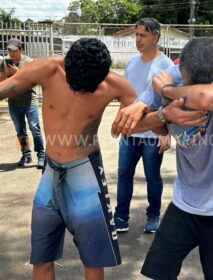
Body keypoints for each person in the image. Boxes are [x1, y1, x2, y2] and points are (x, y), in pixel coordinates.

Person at [112, 37, 213, 280]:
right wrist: (163, 114)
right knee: (158, 269)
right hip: (187, 200)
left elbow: (208, 98)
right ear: (182, 70)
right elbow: (128, 126)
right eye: (191, 84)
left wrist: (168, 92)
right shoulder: (169, 74)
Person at [0, 38, 140, 280]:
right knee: (41, 255)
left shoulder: (117, 85)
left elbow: (148, 123)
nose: (80, 91)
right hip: (51, 171)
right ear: (66, 66)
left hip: (85, 172)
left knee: (93, 257)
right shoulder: (46, 68)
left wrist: (147, 109)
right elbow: (4, 89)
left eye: (88, 87)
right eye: (75, 85)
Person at [113, 18, 174, 234]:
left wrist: (166, 134)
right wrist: (121, 121)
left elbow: (169, 102)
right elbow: (125, 97)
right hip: (131, 132)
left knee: (152, 176)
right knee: (124, 174)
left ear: (155, 37)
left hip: (153, 133)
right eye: (136, 35)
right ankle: (121, 217)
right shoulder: (131, 63)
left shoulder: (165, 65)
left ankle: (153, 215)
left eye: (143, 35)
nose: (138, 39)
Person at [0, 38, 45, 168]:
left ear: (21, 50)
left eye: (14, 50)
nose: (11, 53)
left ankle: (41, 156)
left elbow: (34, 81)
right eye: (9, 50)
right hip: (13, 102)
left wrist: (17, 73)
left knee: (35, 129)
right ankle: (26, 155)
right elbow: (2, 83)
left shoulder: (29, 62)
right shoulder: (4, 62)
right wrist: (5, 73)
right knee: (20, 130)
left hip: (29, 101)